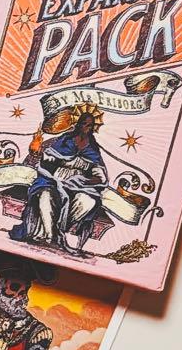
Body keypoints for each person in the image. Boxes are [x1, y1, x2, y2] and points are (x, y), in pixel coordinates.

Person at [9, 104, 108, 251]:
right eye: (84, 124)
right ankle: (49, 235)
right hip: (54, 180)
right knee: (45, 195)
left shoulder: (93, 149)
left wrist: (86, 180)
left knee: (89, 201)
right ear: (78, 124)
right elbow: (48, 159)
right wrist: (38, 152)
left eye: (90, 125)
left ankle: (60, 229)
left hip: (78, 185)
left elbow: (99, 174)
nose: (86, 128)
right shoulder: (65, 140)